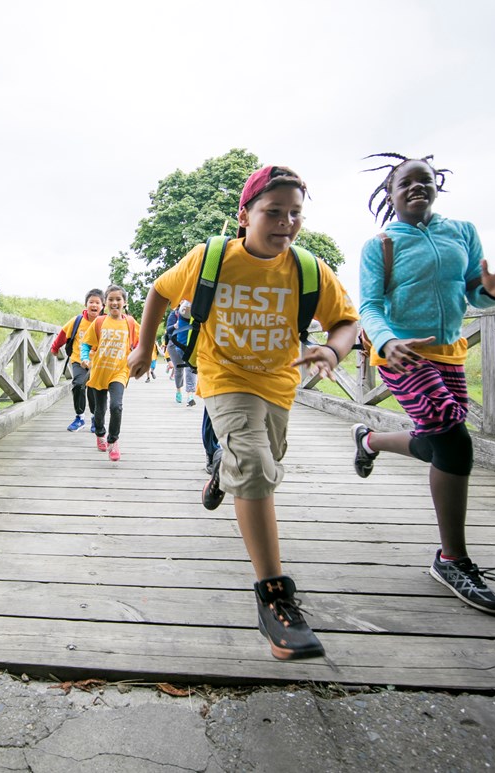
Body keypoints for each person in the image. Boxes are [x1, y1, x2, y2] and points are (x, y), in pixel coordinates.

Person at [128, 165, 359, 661]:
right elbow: (159, 292)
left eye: (295, 212)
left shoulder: (309, 270)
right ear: (245, 214)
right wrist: (145, 348)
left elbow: (346, 321)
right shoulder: (211, 258)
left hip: (278, 385)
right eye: (273, 212)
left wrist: (333, 352)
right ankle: (275, 599)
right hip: (224, 378)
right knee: (255, 468)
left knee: (263, 466)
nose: (286, 222)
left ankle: (220, 471)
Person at [351, 152, 495, 615]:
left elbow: (472, 289)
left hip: (448, 351)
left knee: (440, 437)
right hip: (401, 353)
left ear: (436, 187)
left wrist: (493, 292)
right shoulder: (381, 244)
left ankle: (370, 440)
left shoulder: (461, 231)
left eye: (425, 181)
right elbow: (369, 305)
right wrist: (386, 341)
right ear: (390, 193)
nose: (416, 188)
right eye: (406, 183)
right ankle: (452, 559)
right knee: (453, 439)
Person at [82, 285, 139, 462]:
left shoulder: (130, 323)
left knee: (116, 406)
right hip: (99, 371)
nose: (114, 302)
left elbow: (140, 344)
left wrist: (142, 362)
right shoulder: (99, 322)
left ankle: (113, 441)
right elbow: (85, 344)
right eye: (111, 299)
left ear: (124, 302)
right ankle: (100, 433)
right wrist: (85, 358)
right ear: (105, 303)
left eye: (118, 299)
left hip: (119, 372)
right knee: (99, 410)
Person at [49, 288, 103, 432]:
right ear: (86, 305)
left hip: (96, 363)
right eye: (91, 302)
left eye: (97, 302)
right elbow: (63, 334)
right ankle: (79, 417)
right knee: (78, 384)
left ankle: (94, 418)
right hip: (78, 359)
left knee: (93, 389)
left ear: (102, 306)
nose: (94, 305)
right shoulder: (77, 321)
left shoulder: (104, 322)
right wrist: (55, 348)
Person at [165, 302, 198, 406]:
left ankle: (190, 395)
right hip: (174, 344)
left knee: (190, 367)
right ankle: (178, 390)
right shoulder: (174, 314)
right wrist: (175, 326)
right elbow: (168, 330)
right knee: (179, 369)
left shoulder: (195, 313)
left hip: (188, 343)